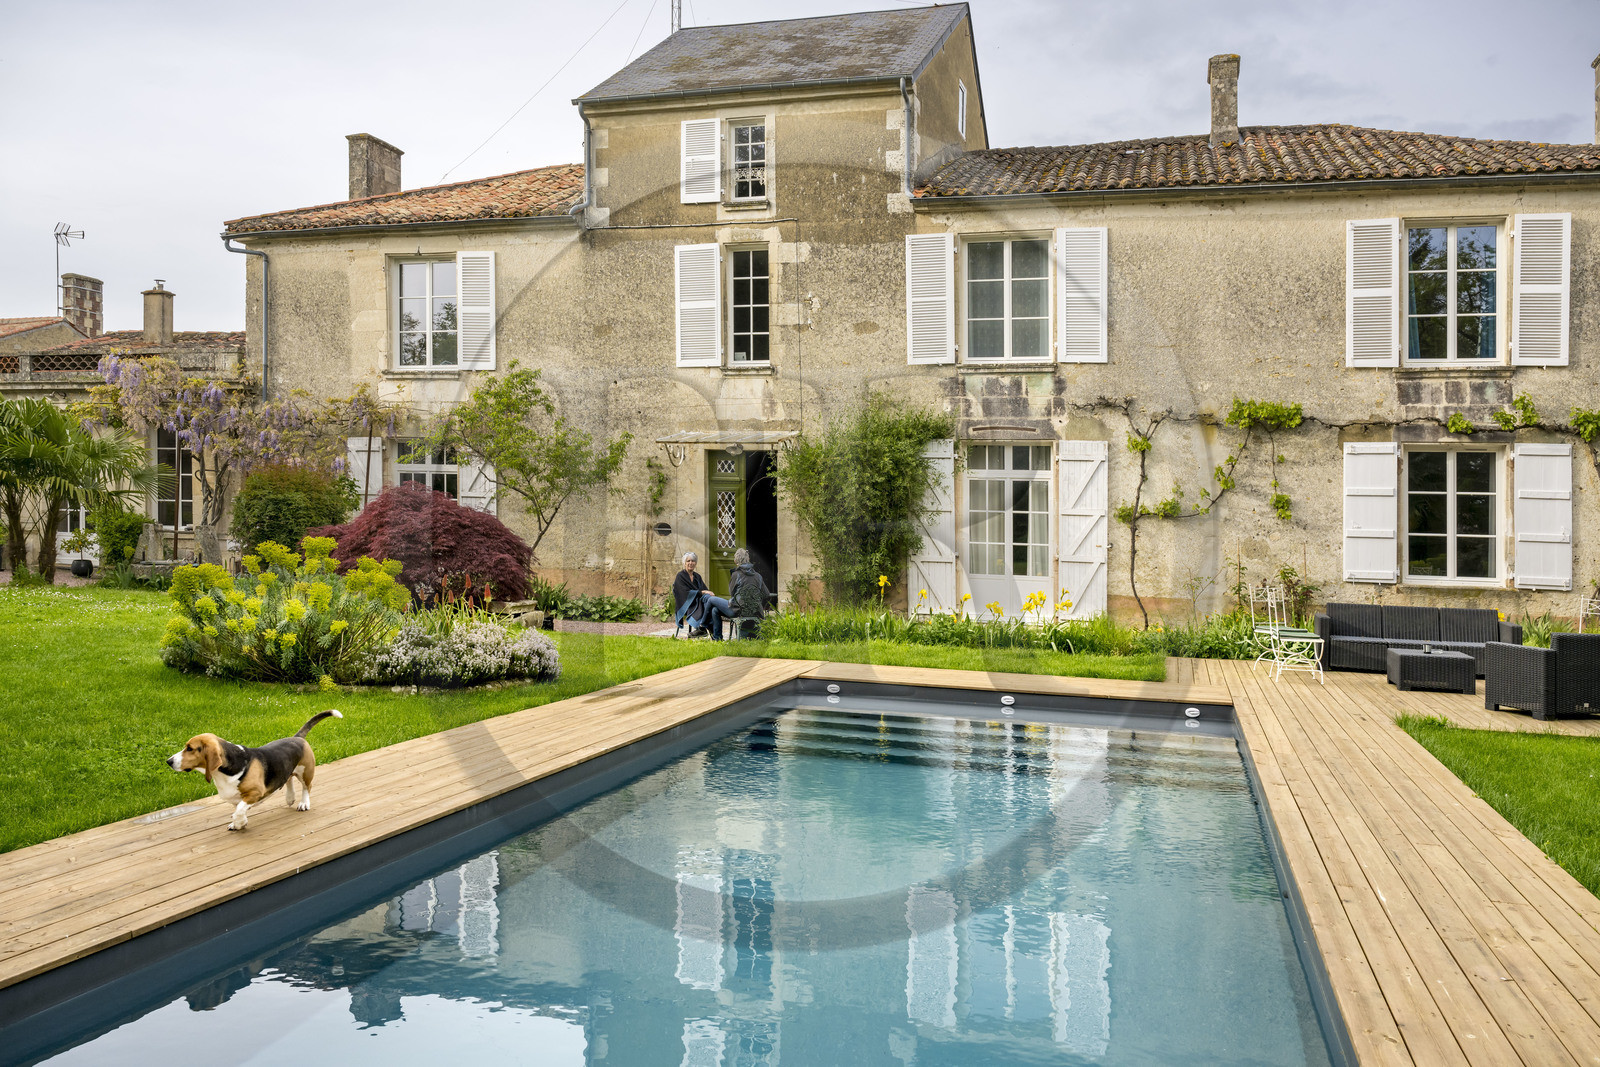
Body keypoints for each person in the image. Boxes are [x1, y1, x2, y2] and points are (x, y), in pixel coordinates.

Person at [672, 551, 731, 639]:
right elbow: (683, 593)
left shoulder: (697, 576)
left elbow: (704, 589)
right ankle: (710, 631)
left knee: (712, 607)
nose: (690, 563)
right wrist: (703, 593)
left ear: (695, 563)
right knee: (708, 602)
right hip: (686, 603)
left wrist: (708, 594)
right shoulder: (680, 576)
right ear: (684, 563)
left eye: (693, 561)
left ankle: (705, 629)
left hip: (698, 602)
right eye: (688, 561)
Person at [727, 548, 771, 639]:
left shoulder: (736, 575)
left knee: (714, 608)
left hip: (740, 612)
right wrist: (757, 604)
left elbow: (732, 593)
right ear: (748, 559)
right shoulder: (758, 576)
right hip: (756, 612)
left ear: (735, 561)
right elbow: (767, 594)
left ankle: (716, 637)